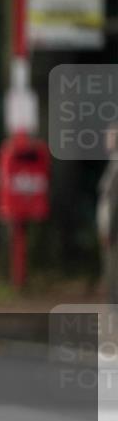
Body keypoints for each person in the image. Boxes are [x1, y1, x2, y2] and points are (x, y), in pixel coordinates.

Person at [99, 122, 118, 303]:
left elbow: (113, 203)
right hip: (110, 230)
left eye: (111, 136)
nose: (108, 140)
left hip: (114, 232)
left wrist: (109, 231)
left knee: (113, 273)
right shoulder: (113, 163)